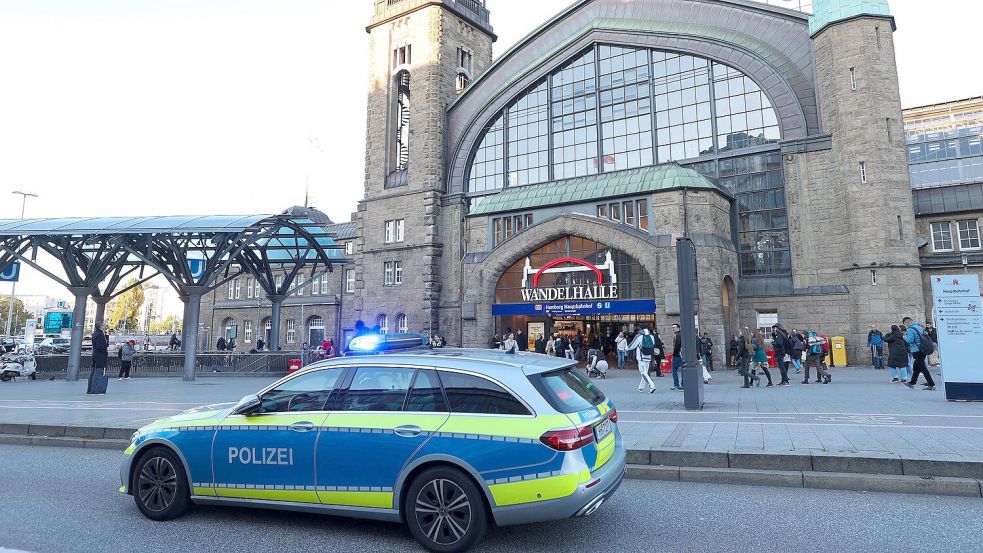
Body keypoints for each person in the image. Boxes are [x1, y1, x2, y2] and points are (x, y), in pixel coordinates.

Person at [903, 316, 936, 390]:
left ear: (907, 322)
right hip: (923, 349)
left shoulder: (911, 329)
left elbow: (909, 340)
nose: (906, 326)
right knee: (916, 367)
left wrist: (904, 337)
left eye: (905, 324)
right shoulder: (919, 327)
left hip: (916, 350)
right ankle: (912, 382)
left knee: (923, 368)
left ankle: (931, 384)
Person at [627, 328, 656, 393]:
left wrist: (626, 348)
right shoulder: (651, 336)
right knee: (645, 372)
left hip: (641, 357)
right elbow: (653, 345)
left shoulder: (639, 336)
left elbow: (632, 345)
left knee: (643, 372)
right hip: (648, 356)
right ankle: (641, 387)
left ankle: (652, 385)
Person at [87, 321, 109, 394]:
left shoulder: (95, 334)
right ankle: (94, 389)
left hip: (95, 354)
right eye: (103, 325)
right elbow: (100, 346)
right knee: (98, 372)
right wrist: (105, 350)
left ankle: (89, 389)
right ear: (101, 326)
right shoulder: (100, 334)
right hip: (100, 355)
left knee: (93, 372)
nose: (105, 326)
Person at [670, 323, 683, 391]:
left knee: (674, 369)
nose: (673, 329)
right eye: (672, 327)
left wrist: (674, 353)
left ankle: (676, 385)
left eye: (674, 327)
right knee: (683, 369)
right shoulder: (681, 334)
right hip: (681, 354)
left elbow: (677, 345)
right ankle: (683, 384)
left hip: (677, 355)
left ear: (678, 328)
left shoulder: (678, 335)